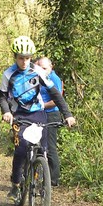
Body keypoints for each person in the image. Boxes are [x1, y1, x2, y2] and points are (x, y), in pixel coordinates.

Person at [0, 36, 75, 201]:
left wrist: (67, 114)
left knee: (43, 149)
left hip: (38, 113)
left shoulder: (37, 71)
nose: (24, 62)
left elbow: (55, 93)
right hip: (19, 114)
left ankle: (40, 178)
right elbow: (3, 97)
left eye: (27, 58)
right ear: (15, 57)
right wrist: (6, 111)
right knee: (20, 149)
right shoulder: (8, 74)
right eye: (21, 58)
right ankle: (16, 184)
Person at [36, 57, 64, 186]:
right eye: (40, 67)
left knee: (50, 146)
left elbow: (56, 100)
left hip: (51, 114)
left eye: (45, 68)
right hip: (40, 114)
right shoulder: (40, 78)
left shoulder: (54, 78)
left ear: (51, 67)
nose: (42, 70)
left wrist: (41, 106)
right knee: (39, 146)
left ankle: (53, 179)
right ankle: (38, 174)